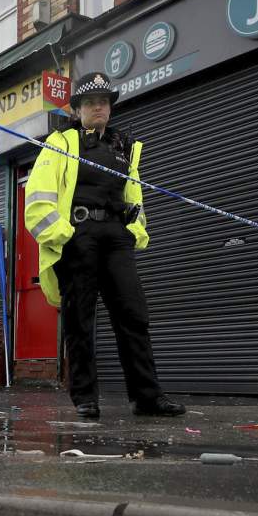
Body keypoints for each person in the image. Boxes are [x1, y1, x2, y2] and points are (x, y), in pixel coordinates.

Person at [24, 72, 183, 419]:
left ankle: (147, 396)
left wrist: (133, 232)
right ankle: (85, 397)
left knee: (133, 314)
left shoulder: (124, 147)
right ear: (78, 108)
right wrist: (63, 236)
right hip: (77, 235)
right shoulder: (60, 142)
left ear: (110, 108)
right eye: (90, 102)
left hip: (116, 238)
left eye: (104, 102)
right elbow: (37, 199)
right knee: (79, 319)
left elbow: (134, 197)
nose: (98, 107)